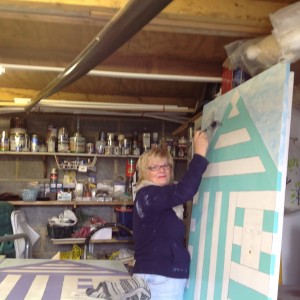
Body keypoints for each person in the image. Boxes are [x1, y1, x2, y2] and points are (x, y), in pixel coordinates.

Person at [132, 130, 209, 300]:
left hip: (156, 276)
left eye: (165, 165)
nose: (161, 170)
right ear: (145, 172)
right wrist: (200, 155)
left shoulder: (155, 197)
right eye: (154, 167)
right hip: (160, 280)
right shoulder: (148, 195)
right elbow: (184, 191)